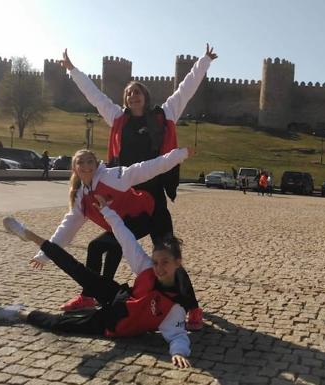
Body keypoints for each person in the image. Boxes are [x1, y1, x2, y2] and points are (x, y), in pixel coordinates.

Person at [60, 45, 216, 328]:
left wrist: (203, 62)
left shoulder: (164, 116)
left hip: (154, 202)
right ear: (125, 99)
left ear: (146, 96)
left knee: (167, 253)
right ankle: (90, 295)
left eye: (138, 92)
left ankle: (192, 308)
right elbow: (95, 96)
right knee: (102, 246)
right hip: (128, 203)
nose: (134, 96)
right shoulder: (118, 119)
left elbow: (185, 89)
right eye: (129, 93)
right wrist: (73, 71)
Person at [0, 195, 194, 368]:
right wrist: (107, 211)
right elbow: (126, 238)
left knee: (60, 324)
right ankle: (29, 235)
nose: (158, 268)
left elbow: (177, 335)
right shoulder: (147, 267)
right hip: (121, 296)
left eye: (165, 263)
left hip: (115, 322)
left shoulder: (175, 304)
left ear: (178, 263)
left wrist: (179, 352)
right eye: (156, 261)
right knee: (79, 271)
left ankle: (20, 312)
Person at [30, 147, 197, 315]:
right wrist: (45, 253)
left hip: (152, 215)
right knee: (98, 246)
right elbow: (67, 227)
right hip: (123, 224)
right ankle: (90, 296)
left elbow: (144, 168)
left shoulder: (111, 177)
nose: (86, 166)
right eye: (81, 162)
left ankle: (193, 308)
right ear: (74, 168)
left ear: (96, 165)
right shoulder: (80, 196)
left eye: (90, 161)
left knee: (169, 258)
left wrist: (179, 155)